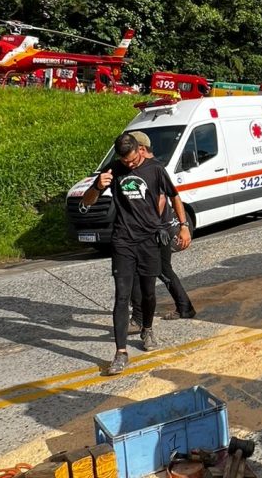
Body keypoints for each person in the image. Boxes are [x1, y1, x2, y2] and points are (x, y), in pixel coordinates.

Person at [80, 133, 192, 375]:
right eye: (125, 162)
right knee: (122, 296)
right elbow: (88, 201)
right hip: (123, 241)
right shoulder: (114, 169)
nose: (129, 166)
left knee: (149, 293)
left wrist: (183, 226)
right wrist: (98, 186)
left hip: (149, 240)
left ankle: (147, 329)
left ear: (140, 150)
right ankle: (120, 352)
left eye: (132, 161)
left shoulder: (156, 169)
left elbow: (174, 197)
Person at [125, 131, 196, 334]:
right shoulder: (151, 166)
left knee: (142, 273)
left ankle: (138, 318)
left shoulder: (152, 168)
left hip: (157, 230)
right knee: (164, 270)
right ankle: (185, 307)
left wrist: (151, 224)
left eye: (131, 150)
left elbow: (163, 199)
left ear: (141, 149)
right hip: (161, 228)